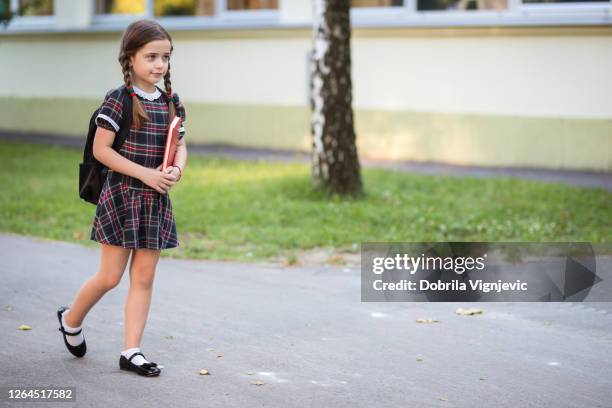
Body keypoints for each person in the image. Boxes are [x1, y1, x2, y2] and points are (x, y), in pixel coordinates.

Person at [56, 19, 188, 377]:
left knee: (143, 279)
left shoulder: (171, 101)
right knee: (110, 277)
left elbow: (180, 145)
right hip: (122, 197)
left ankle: (132, 351)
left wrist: (177, 169)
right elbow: (101, 150)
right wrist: (145, 173)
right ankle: (70, 319)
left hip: (155, 202)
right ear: (130, 58)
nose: (159, 65)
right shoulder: (118, 100)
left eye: (165, 57)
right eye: (151, 57)